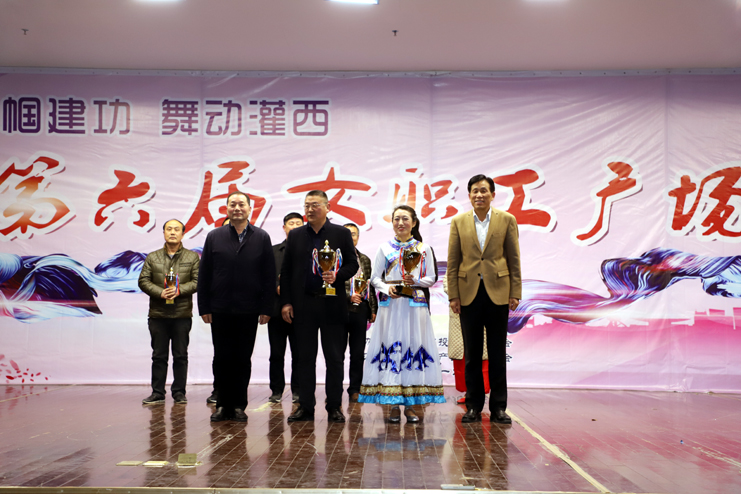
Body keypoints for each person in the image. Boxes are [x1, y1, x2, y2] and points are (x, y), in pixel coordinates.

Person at [358, 205, 446, 424]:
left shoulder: (424, 248)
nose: (400, 223)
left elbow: (431, 277)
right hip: (391, 305)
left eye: (405, 219)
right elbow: (374, 278)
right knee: (392, 347)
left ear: (414, 223)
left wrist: (415, 281)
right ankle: (393, 405)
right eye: (396, 218)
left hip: (414, 305)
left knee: (412, 347)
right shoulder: (384, 248)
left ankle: (411, 405)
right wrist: (387, 288)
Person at [447, 174, 522, 424]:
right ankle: (473, 406)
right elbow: (453, 261)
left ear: (492, 194)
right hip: (468, 293)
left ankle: (499, 407)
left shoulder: (507, 219)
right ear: (469, 195)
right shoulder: (458, 221)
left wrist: (515, 292)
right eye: (475, 191)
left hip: (498, 292)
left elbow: (513, 258)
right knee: (472, 353)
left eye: (484, 190)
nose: (479, 195)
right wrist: (453, 295)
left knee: (497, 352)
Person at [280, 190, 358, 423]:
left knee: (334, 358)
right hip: (303, 304)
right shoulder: (296, 235)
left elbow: (353, 264)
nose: (310, 209)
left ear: (327, 207)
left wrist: (337, 275)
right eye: (307, 205)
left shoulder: (341, 233)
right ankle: (305, 406)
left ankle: (334, 406)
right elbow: (286, 271)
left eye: (315, 205)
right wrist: (286, 302)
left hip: (332, 304)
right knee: (304, 358)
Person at [197, 191, 275, 422]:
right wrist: (204, 306)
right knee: (222, 358)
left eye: (241, 204)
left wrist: (266, 308)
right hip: (220, 307)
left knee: (242, 358)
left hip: (249, 308)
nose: (237, 208)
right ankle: (222, 405)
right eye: (233, 204)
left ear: (250, 209)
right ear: (227, 208)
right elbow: (205, 273)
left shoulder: (261, 237)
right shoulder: (215, 236)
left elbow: (269, 275)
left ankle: (239, 405)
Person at [138, 219, 200, 405]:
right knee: (159, 356)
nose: (172, 232)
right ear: (164, 233)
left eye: (176, 229)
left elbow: (198, 281)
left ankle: (179, 392)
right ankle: (157, 392)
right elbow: (143, 281)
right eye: (169, 229)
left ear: (183, 234)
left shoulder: (192, 257)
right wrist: (160, 292)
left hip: (181, 315)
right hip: (158, 314)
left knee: (180, 355)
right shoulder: (153, 257)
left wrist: (179, 290)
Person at [268, 212, 304, 404]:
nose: (295, 226)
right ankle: (276, 390)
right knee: (276, 354)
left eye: (299, 223)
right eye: (291, 223)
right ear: (284, 227)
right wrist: (277, 286)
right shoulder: (273, 251)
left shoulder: (309, 251)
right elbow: (264, 276)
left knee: (299, 354)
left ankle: (297, 390)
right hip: (276, 310)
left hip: (300, 311)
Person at [343, 223, 377, 403]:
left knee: (357, 353)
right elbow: (329, 285)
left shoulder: (364, 259)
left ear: (358, 237)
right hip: (339, 310)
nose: (350, 237)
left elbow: (370, 285)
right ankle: (334, 390)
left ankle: (355, 389)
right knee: (336, 354)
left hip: (360, 310)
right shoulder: (333, 258)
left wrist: (372, 309)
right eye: (347, 234)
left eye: (354, 234)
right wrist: (347, 297)